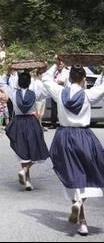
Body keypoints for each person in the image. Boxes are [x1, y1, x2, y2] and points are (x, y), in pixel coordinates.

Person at [42, 65, 104, 236]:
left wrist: (55, 65)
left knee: (72, 174)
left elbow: (46, 78)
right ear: (84, 79)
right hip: (83, 137)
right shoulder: (88, 94)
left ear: (69, 79)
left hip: (63, 137)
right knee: (90, 172)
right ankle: (80, 206)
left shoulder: (60, 92)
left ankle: (81, 219)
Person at [0, 72, 50, 191]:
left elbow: (2, 83)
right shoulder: (35, 93)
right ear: (29, 82)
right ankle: (25, 172)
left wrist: (8, 73)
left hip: (18, 122)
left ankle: (27, 179)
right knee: (36, 148)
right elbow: (47, 91)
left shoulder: (13, 92)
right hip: (31, 122)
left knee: (23, 151)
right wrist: (42, 75)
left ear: (18, 82)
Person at [43, 58, 70, 129]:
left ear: (64, 64)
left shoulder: (67, 72)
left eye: (61, 64)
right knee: (54, 109)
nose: (60, 65)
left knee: (62, 108)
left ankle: (63, 122)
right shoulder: (55, 72)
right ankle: (53, 123)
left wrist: (55, 82)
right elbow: (49, 78)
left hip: (63, 92)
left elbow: (63, 81)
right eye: (59, 64)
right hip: (54, 92)